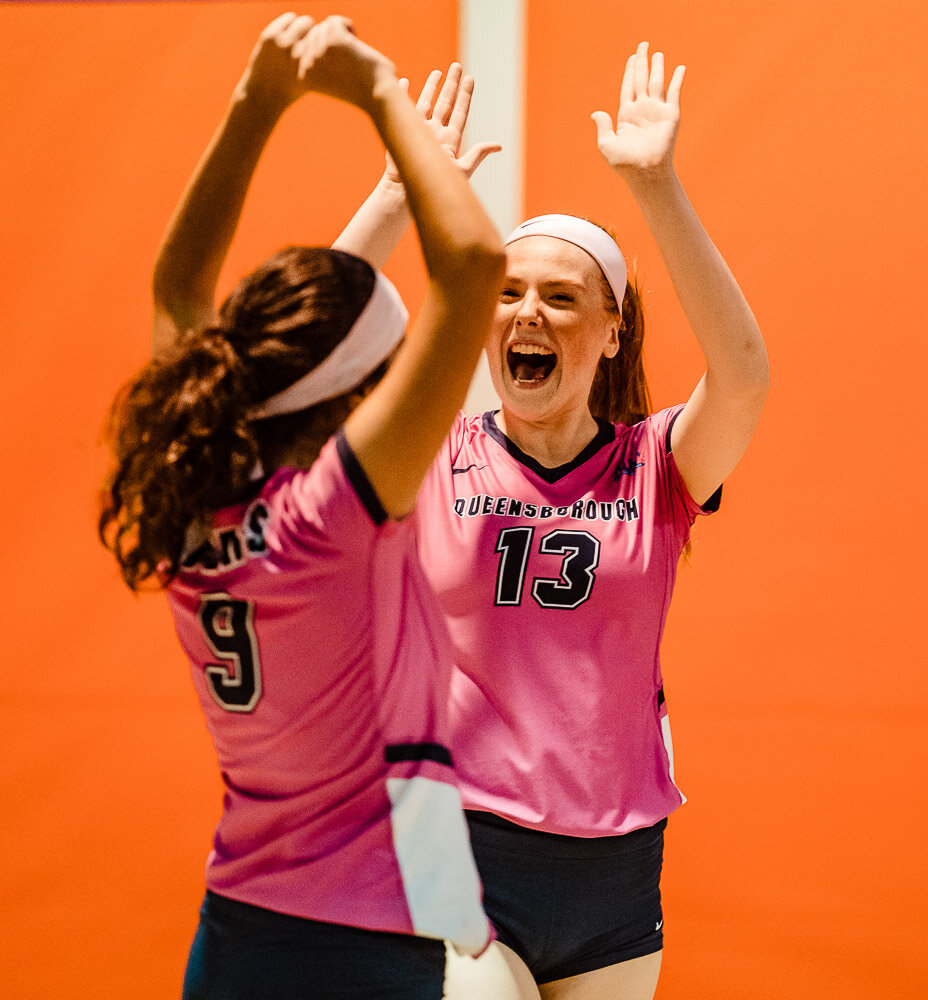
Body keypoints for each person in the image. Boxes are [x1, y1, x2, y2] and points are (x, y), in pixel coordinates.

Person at [335, 41, 769, 1000]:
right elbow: (310, 341)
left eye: (560, 297)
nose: (526, 311)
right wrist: (399, 195)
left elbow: (744, 375)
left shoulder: (654, 464)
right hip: (458, 842)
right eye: (507, 291)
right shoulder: (434, 448)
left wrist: (657, 188)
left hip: (614, 874)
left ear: (611, 330)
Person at [97, 14, 506, 999]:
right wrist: (378, 94)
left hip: (238, 925)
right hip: (355, 948)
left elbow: (186, 286)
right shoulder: (335, 518)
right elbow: (476, 267)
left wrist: (258, 101)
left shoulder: (196, 490)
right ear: (358, 406)